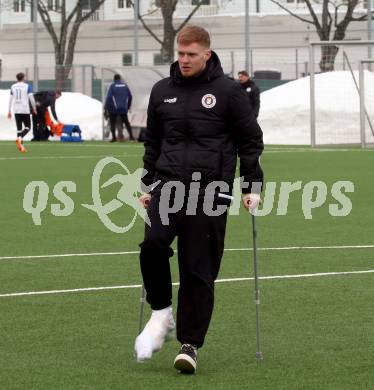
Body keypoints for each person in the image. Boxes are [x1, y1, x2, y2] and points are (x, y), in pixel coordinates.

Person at [134, 25, 264, 374]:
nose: (185, 60)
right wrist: (147, 184)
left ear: (207, 54)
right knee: (152, 245)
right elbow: (153, 142)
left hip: (210, 191)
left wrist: (251, 185)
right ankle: (161, 314)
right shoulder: (162, 91)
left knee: (197, 269)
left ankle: (189, 345)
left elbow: (250, 140)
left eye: (192, 54)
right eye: (181, 53)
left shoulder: (229, 92)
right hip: (168, 186)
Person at [8, 72, 36, 153]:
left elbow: (10, 99)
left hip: (16, 109)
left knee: (19, 129)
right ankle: (19, 139)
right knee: (28, 127)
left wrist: (9, 110)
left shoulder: (13, 86)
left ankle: (21, 147)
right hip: (24, 109)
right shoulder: (27, 86)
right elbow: (31, 98)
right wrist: (34, 108)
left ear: (17, 78)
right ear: (23, 78)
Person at [104, 74, 134, 142]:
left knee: (112, 123)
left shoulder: (112, 86)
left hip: (114, 108)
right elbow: (130, 96)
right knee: (126, 122)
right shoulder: (125, 86)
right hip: (123, 108)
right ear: (120, 79)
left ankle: (114, 138)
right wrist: (128, 106)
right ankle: (131, 137)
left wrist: (106, 108)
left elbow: (109, 97)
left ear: (114, 79)